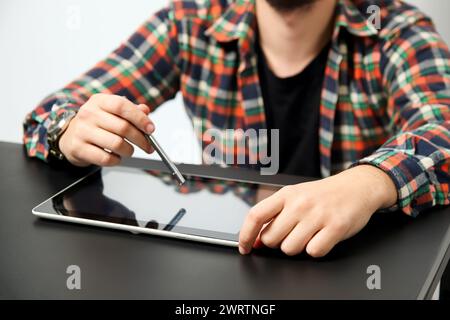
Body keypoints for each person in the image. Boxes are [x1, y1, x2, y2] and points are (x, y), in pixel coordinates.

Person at [23, 0, 449, 260]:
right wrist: (70, 128)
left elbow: (442, 125)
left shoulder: (395, 30)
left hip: (350, 262)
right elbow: (49, 113)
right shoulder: (189, 22)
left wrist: (367, 182)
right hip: (232, 256)